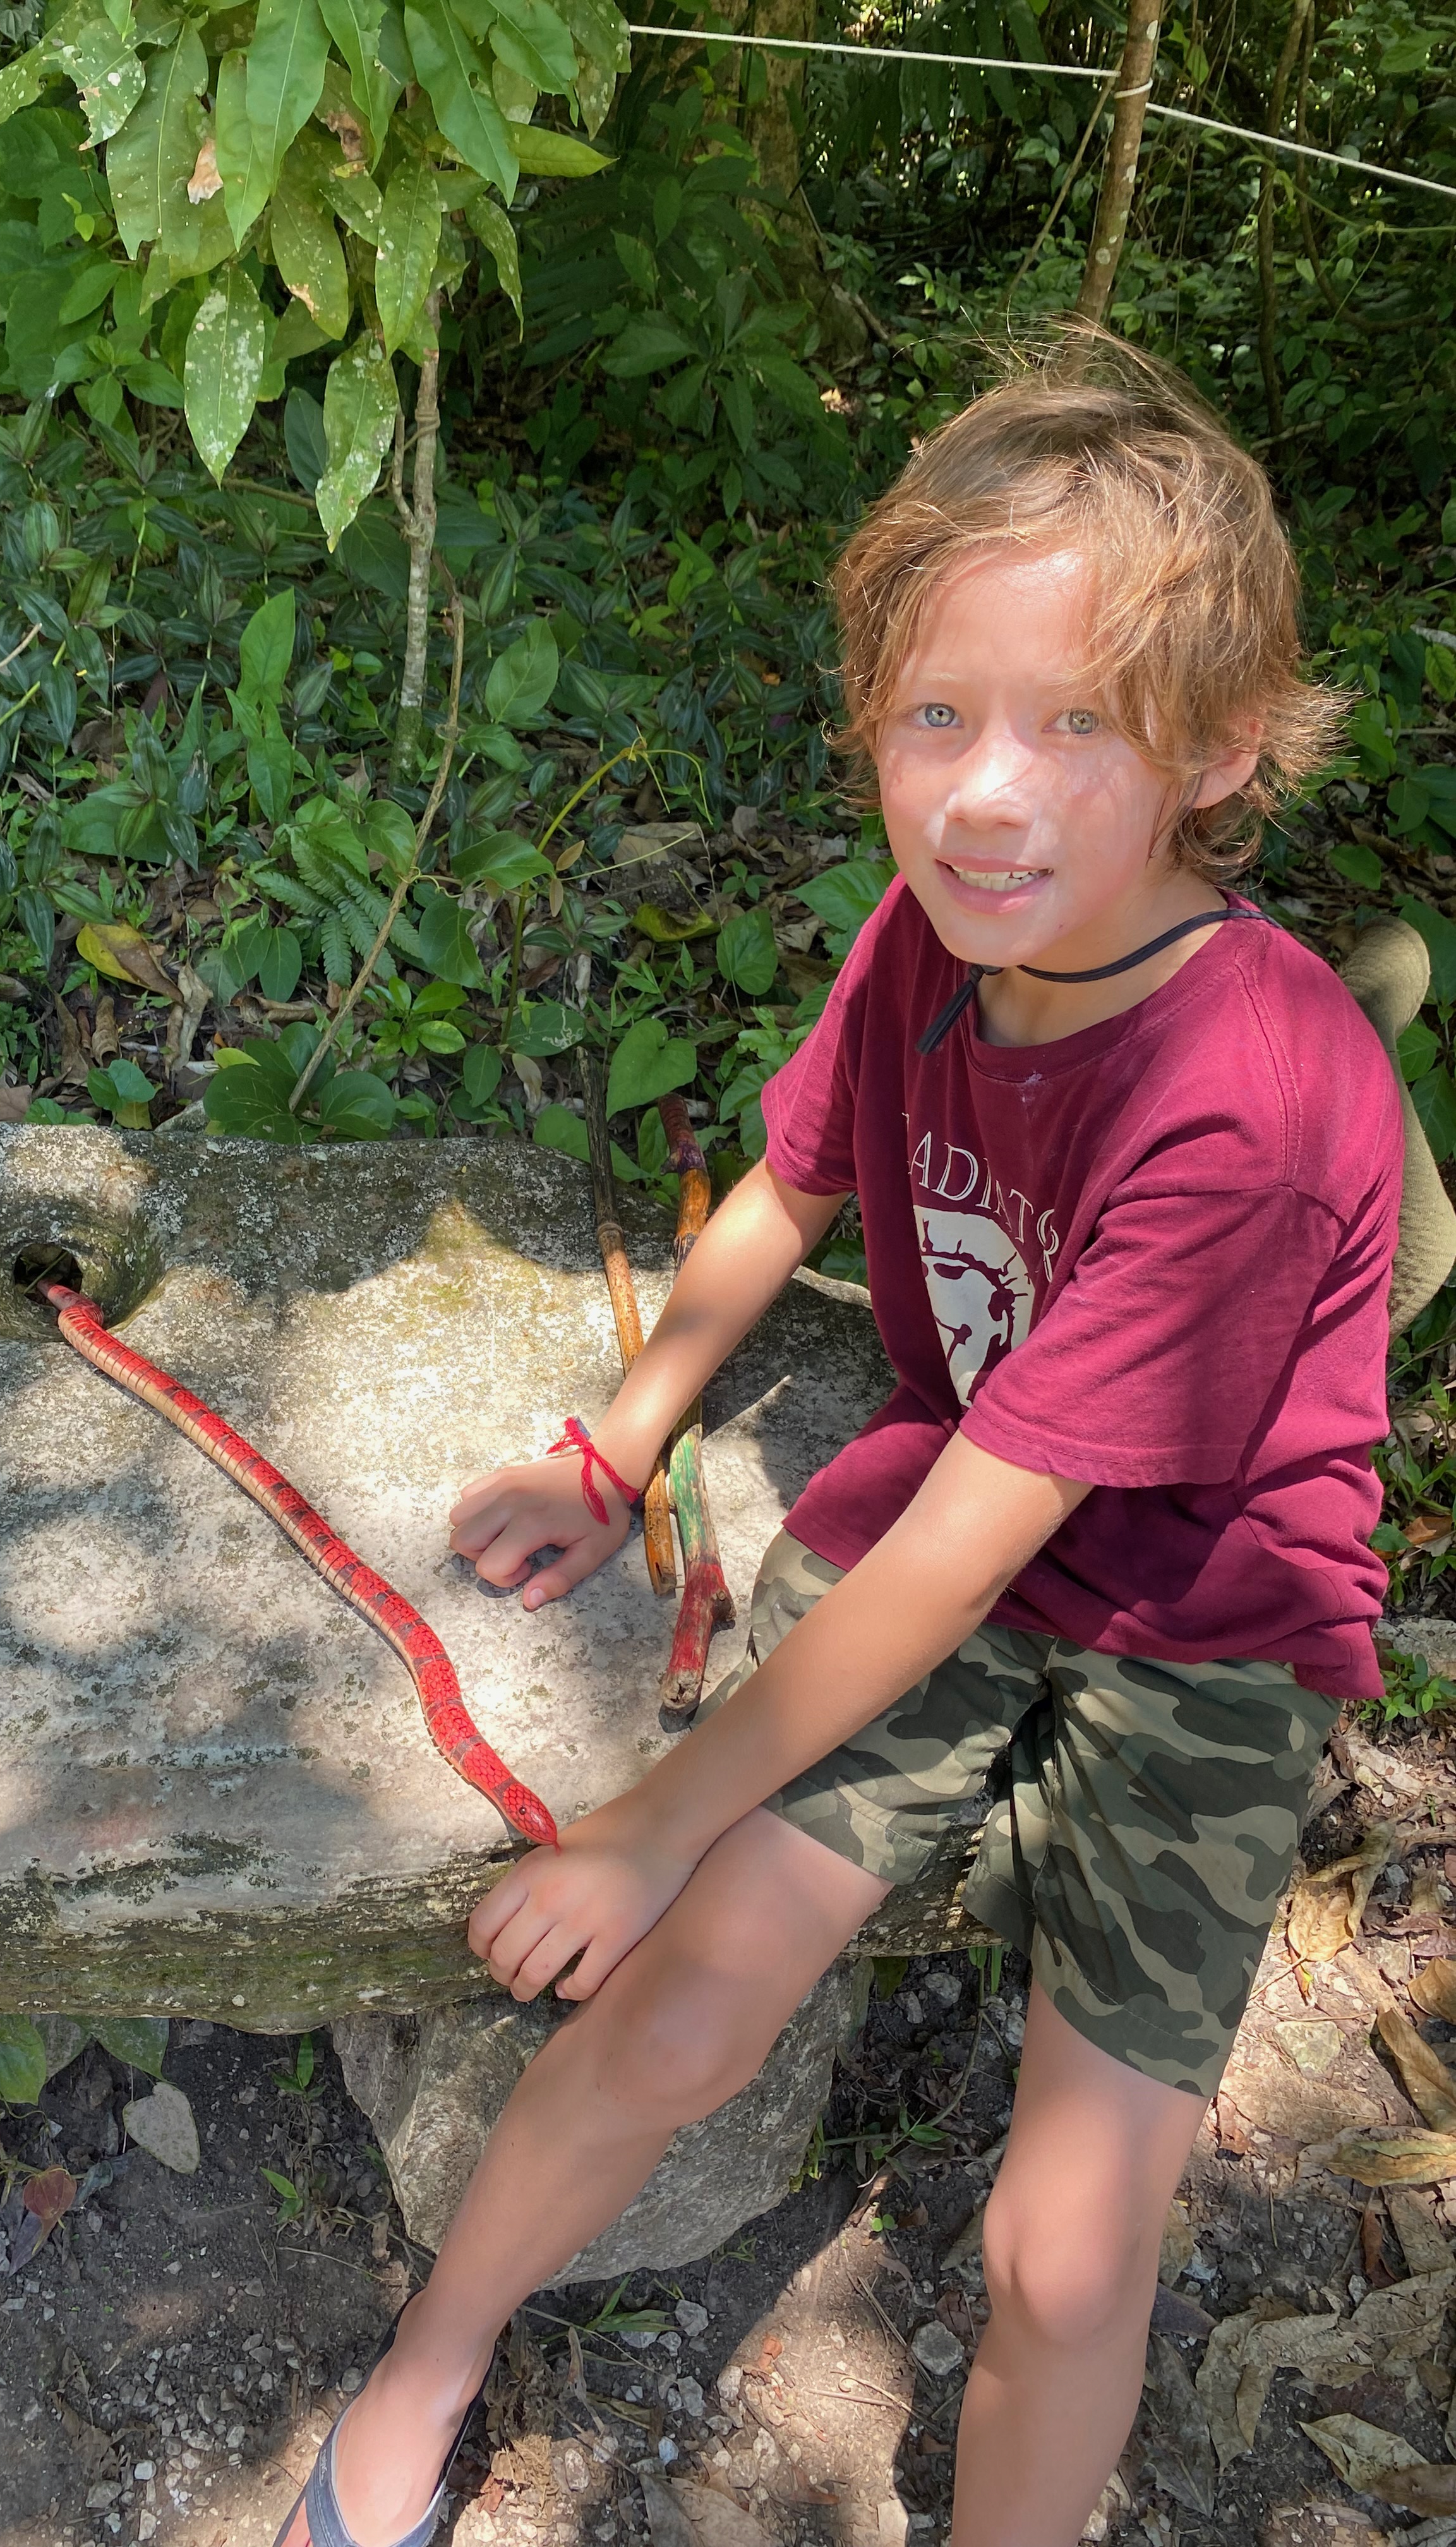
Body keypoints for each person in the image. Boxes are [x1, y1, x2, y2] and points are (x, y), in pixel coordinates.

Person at [274, 331, 1402, 2547]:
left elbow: (975, 1547)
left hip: (1210, 1619)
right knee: (682, 2017)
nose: (985, 794)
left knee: (1061, 2257)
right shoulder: (935, 939)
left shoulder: (1248, 1096)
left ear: (1222, 748)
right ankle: (426, 2367)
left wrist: (651, 1821)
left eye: (1080, 724)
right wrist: (619, 1444)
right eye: (936, 716)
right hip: (950, 1518)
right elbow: (789, 1184)